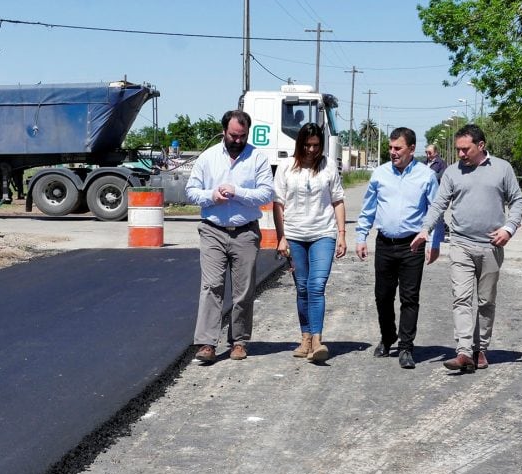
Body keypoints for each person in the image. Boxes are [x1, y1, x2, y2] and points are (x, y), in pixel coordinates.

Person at [411, 124, 522, 373]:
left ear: (481, 146)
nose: (461, 154)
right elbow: (439, 204)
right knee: (461, 299)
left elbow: (517, 201)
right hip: (461, 244)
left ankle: (480, 349)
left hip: (491, 246)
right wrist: (425, 229)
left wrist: (509, 229)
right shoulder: (452, 172)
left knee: (485, 301)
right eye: (458, 149)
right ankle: (463, 351)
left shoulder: (502, 168)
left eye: (465, 149)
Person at [185, 110, 274, 363]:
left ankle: (239, 341)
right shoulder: (208, 158)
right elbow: (191, 191)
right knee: (211, 287)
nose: (238, 140)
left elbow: (267, 193)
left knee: (243, 291)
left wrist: (238, 192)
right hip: (213, 230)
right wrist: (211, 196)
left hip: (245, 231)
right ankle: (206, 343)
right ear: (224, 131)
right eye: (234, 135)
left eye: (242, 136)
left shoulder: (257, 158)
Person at [355, 127, 444, 370]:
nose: (393, 152)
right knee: (382, 296)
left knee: (409, 297)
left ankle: (406, 346)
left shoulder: (426, 176)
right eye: (391, 148)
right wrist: (361, 236)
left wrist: (434, 244)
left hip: (412, 245)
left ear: (411, 149)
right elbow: (368, 208)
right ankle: (387, 336)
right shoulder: (380, 174)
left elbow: (436, 212)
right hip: (384, 243)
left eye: (398, 148)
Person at [272, 123, 347, 363]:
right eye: (308, 145)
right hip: (294, 235)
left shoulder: (328, 167)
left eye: (316, 145)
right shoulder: (286, 168)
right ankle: (305, 337)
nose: (312, 150)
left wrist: (342, 234)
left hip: (323, 233)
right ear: (300, 143)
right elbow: (278, 204)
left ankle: (317, 340)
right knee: (302, 287)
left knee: (316, 285)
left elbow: (338, 200)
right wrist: (281, 237)